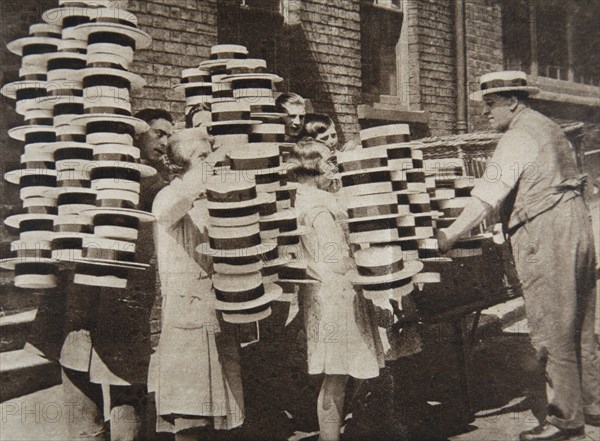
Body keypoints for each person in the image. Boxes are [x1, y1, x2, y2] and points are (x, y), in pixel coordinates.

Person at [437, 71, 599, 441]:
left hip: (547, 229)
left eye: (491, 105)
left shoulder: (517, 137)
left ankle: (564, 420)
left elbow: (486, 197)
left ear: (513, 101)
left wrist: (449, 235)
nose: (486, 113)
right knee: (579, 324)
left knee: (550, 326)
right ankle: (592, 405)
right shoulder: (550, 128)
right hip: (577, 224)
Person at [56, 108, 175, 441]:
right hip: (85, 296)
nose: (165, 141)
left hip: (128, 297)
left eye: (169, 134)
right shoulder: (100, 177)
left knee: (126, 387)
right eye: (158, 133)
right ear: (135, 135)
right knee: (81, 384)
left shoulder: (159, 185)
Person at [150, 128, 244, 441]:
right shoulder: (168, 196)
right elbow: (170, 211)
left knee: (218, 412)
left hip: (213, 309)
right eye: (203, 157)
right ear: (184, 161)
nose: (212, 164)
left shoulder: (202, 198)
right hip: (186, 313)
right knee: (190, 415)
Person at [289, 139, 384, 441]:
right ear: (314, 166)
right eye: (329, 162)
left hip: (324, 293)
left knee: (339, 373)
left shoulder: (303, 200)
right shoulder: (318, 207)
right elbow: (336, 257)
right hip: (334, 296)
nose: (334, 168)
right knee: (336, 375)